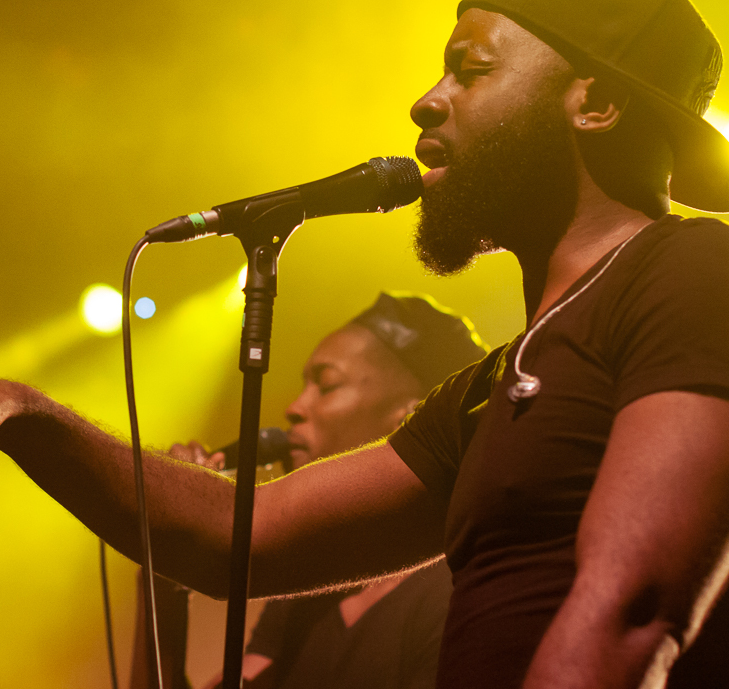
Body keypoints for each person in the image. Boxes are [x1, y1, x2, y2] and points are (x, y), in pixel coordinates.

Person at [0, 0, 729, 688]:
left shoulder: (700, 274)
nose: (426, 101)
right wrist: (30, 416)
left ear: (594, 103)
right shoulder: (500, 380)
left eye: (471, 68)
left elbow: (631, 614)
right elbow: (245, 536)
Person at [128, 293, 487, 689]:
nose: (295, 408)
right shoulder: (312, 585)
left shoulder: (464, 590)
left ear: (414, 414)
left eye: (327, 385)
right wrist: (164, 562)